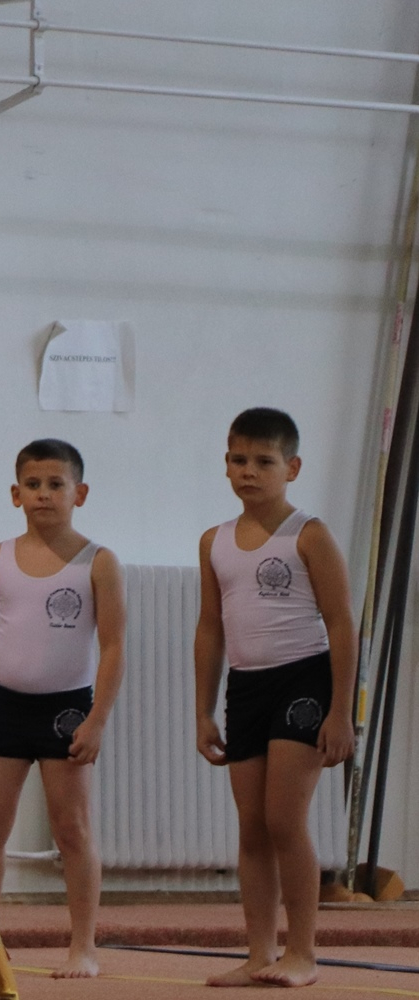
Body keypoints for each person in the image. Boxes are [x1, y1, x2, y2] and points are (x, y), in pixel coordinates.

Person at [0, 439, 125, 979]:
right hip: (4, 705)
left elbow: (114, 647)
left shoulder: (99, 562)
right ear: (15, 493)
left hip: (67, 711)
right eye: (33, 485)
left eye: (56, 485)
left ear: (79, 493)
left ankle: (83, 946)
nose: (44, 494)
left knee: (72, 829)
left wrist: (97, 720)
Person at [194, 407, 356, 988]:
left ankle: (303, 953)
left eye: (264, 462)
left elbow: (341, 622)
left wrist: (342, 712)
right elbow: (210, 627)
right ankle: (260, 952)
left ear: (292, 467)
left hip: (304, 681)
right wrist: (202, 711)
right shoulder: (214, 542)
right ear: (226, 464)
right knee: (253, 827)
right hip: (247, 686)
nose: (249, 472)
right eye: (239, 460)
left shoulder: (309, 534)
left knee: (285, 819)